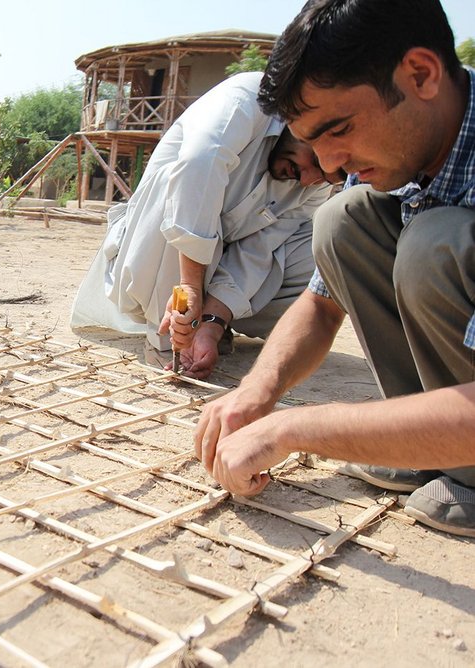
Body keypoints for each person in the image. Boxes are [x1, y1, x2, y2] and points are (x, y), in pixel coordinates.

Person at [195, 0, 475, 536]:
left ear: (421, 74)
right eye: (312, 140)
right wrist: (259, 390)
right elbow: (321, 306)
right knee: (345, 219)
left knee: (434, 243)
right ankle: (419, 440)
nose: (326, 164)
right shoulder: (390, 150)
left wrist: (296, 428)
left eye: (338, 129)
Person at [70, 72, 345, 379]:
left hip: (215, 278)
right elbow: (199, 164)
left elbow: (260, 249)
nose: (308, 180)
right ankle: (169, 339)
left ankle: (206, 329)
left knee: (322, 248)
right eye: (316, 163)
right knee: (180, 184)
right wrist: (188, 287)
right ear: (302, 122)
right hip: (150, 258)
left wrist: (212, 324)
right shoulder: (247, 99)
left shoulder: (313, 182)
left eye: (325, 177)